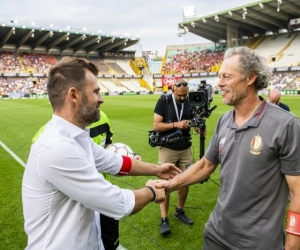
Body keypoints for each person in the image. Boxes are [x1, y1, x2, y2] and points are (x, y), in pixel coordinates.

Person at [22, 56, 181, 250]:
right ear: (74, 95)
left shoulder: (76, 137)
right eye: (96, 92)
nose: (101, 99)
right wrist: (151, 192)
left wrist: (157, 169)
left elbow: (114, 162)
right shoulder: (57, 147)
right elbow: (117, 204)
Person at [156, 46, 300, 249]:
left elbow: (298, 192)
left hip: (258, 243)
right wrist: (170, 185)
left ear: (250, 78)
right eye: (218, 76)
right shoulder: (225, 120)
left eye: (226, 77)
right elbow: (206, 164)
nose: (219, 83)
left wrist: (293, 246)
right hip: (216, 235)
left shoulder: (286, 124)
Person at [153, 79, 195, 235]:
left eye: (185, 95)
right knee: (165, 183)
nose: (183, 98)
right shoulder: (163, 101)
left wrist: (197, 125)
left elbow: (192, 120)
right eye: (180, 96)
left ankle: (179, 211)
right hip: (168, 147)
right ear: (172, 91)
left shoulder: (189, 100)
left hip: (185, 147)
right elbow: (156, 125)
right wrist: (176, 124)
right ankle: (164, 219)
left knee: (186, 181)